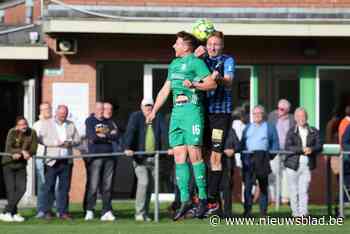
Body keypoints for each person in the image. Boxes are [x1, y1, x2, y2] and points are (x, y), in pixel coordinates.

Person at [148, 31, 218, 221]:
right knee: (178, 156)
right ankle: (185, 201)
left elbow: (212, 84)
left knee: (194, 154)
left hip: (192, 112)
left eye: (177, 43)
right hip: (177, 113)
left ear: (186, 47)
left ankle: (203, 199)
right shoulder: (174, 64)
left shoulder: (196, 62)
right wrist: (154, 110)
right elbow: (165, 89)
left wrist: (195, 84)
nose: (173, 46)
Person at [194, 31, 235, 216]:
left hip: (220, 115)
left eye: (216, 44)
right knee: (200, 156)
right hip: (202, 113)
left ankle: (212, 197)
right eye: (210, 44)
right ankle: (204, 200)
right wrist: (194, 57)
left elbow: (229, 81)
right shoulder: (201, 59)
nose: (212, 47)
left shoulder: (227, 60)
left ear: (222, 46)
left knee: (216, 158)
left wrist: (218, 78)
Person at [124, 99, 168, 221]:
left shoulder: (158, 117)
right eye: (146, 106)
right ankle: (139, 213)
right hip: (140, 158)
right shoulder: (136, 117)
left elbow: (164, 133)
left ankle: (145, 213)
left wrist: (168, 149)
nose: (148, 108)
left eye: (150, 106)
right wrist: (127, 147)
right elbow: (130, 132)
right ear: (141, 107)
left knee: (150, 187)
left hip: (155, 158)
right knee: (144, 183)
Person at [40, 105, 80, 220]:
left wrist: (70, 143)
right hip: (51, 161)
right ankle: (47, 211)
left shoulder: (70, 124)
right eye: (61, 113)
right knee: (49, 187)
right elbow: (41, 139)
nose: (63, 116)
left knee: (64, 188)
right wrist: (55, 142)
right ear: (56, 113)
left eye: (65, 114)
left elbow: (77, 139)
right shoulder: (47, 123)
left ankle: (63, 212)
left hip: (66, 161)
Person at [240, 105, 279, 217]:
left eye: (259, 113)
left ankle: (263, 212)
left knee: (263, 187)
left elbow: (275, 144)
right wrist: (243, 158)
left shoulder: (270, 127)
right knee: (247, 187)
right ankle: (247, 211)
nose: (256, 116)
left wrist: (268, 157)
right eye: (254, 114)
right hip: (249, 159)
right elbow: (242, 143)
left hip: (262, 159)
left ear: (264, 115)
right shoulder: (247, 127)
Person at [284, 107, 322, 217]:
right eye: (299, 116)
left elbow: (319, 145)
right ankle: (295, 214)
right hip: (292, 164)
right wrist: (302, 149)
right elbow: (288, 147)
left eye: (303, 116)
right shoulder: (291, 131)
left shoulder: (314, 131)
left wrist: (312, 149)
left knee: (304, 190)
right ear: (295, 118)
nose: (301, 118)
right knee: (293, 190)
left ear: (307, 117)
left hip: (306, 164)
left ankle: (303, 214)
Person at [85, 102, 119, 221]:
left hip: (109, 156)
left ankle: (106, 211)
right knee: (93, 185)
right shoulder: (90, 121)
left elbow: (116, 135)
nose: (101, 111)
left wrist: (105, 135)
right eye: (99, 109)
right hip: (96, 157)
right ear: (94, 109)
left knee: (107, 186)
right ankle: (90, 210)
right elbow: (92, 137)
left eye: (102, 109)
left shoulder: (108, 121)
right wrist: (107, 135)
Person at [0, 116, 37, 222]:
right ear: (17, 126)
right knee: (11, 191)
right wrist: (21, 151)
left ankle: (6, 212)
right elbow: (9, 147)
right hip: (8, 164)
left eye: (25, 124)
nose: (23, 126)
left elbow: (34, 148)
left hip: (21, 165)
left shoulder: (32, 133)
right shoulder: (12, 132)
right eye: (21, 125)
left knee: (22, 188)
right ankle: (13, 213)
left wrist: (28, 153)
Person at [268, 99, 295, 204]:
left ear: (288, 110)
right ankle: (274, 198)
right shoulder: (272, 116)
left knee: (286, 174)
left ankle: (285, 198)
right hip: (274, 151)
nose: (279, 110)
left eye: (282, 109)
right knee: (273, 173)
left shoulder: (292, 119)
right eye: (278, 108)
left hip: (288, 151)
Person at [33, 102, 55, 218]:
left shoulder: (55, 123)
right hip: (41, 157)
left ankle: (51, 209)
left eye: (47, 109)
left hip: (53, 157)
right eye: (43, 109)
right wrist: (43, 123)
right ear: (40, 111)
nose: (46, 111)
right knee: (42, 184)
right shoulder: (37, 124)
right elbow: (36, 139)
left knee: (54, 185)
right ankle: (41, 209)